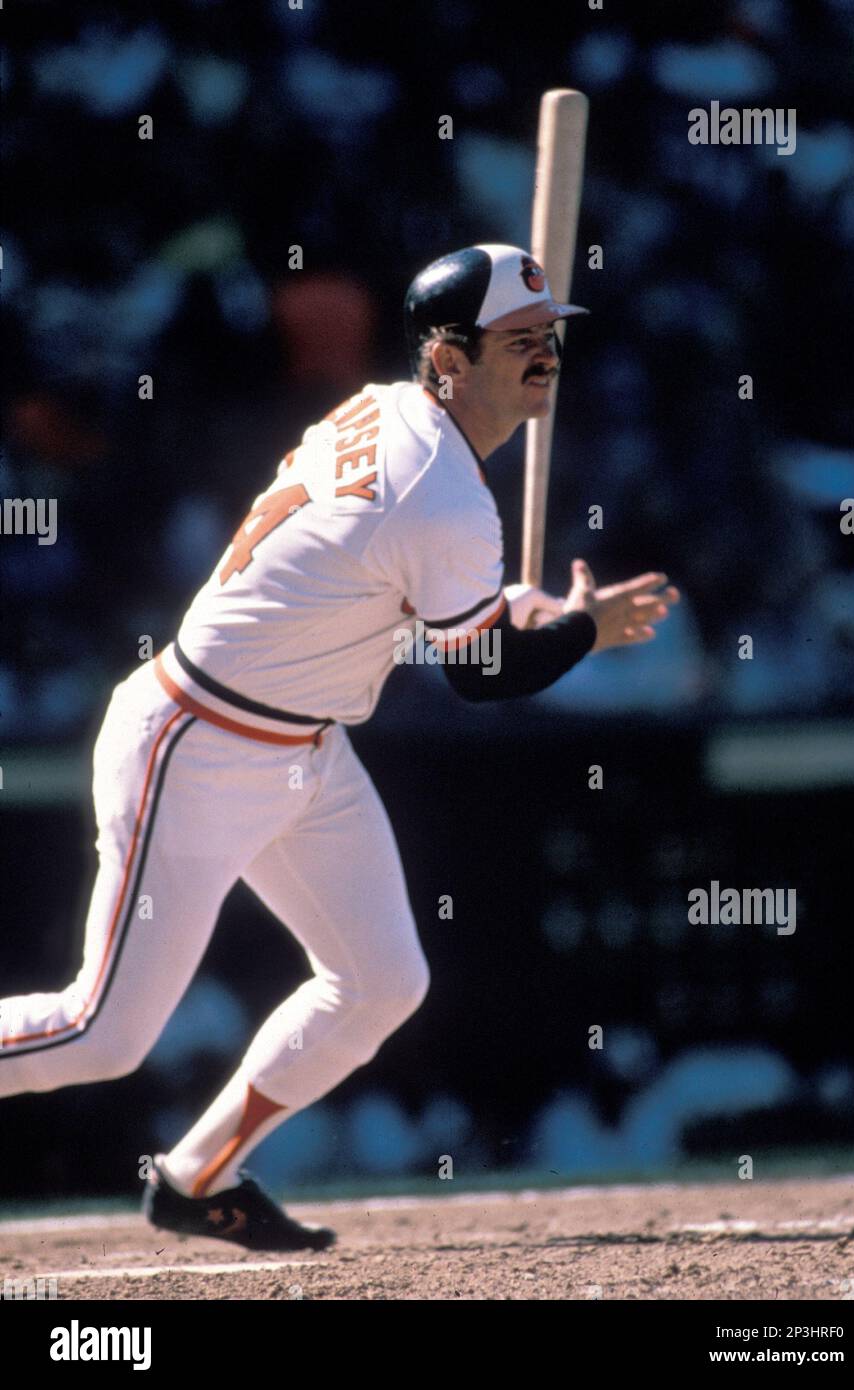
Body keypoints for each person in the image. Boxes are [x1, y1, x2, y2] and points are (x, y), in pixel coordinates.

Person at [0, 244, 678, 1250]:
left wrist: (524, 609)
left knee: (379, 985)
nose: (546, 359)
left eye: (551, 338)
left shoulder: (394, 420)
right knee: (102, 1032)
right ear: (448, 360)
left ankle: (197, 1176)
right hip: (197, 747)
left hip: (300, 745)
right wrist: (580, 629)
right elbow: (482, 675)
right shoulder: (441, 491)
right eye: (520, 342)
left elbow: (379, 597)